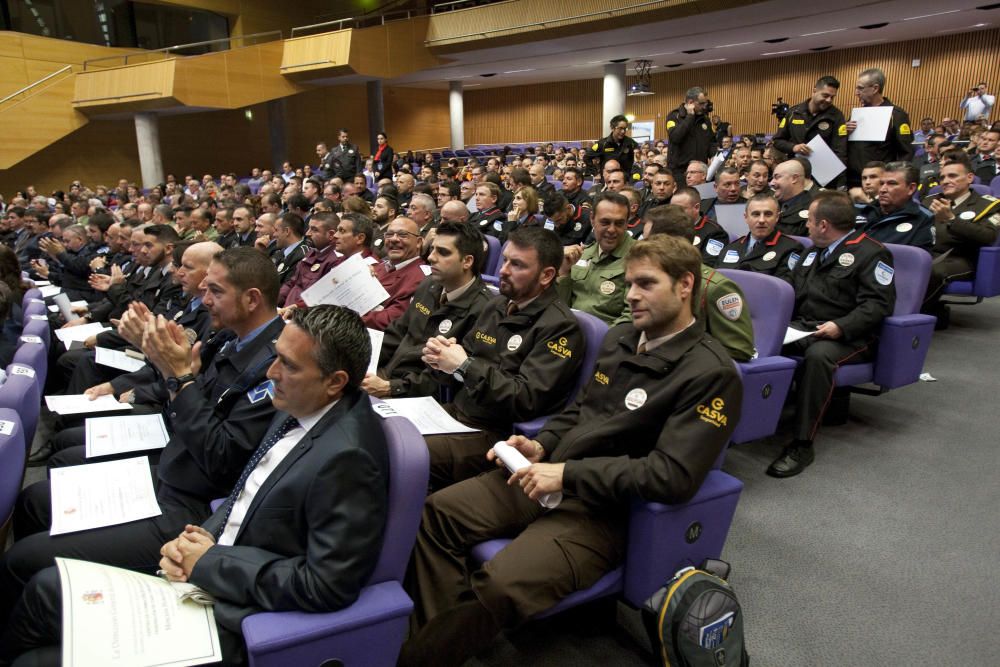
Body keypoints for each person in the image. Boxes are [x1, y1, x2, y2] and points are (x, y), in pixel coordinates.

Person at [399, 235, 742, 667]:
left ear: (685, 285)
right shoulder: (621, 339)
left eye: (647, 284)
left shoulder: (711, 373)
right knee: (437, 515)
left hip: (607, 510)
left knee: (501, 584)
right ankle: (443, 643)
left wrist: (566, 475)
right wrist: (541, 443)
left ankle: (419, 655)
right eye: (630, 283)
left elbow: (670, 476)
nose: (632, 295)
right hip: (553, 472)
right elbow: (581, 410)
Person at [0, 305, 389, 667]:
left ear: (335, 382)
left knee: (41, 617)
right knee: (45, 592)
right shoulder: (302, 403)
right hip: (208, 565)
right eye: (275, 355)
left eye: (287, 365)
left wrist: (207, 561)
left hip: (235, 612)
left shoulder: (348, 458)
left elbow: (326, 585)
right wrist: (197, 538)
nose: (270, 373)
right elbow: (245, 494)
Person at [0, 248, 286, 627]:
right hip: (170, 467)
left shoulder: (274, 366)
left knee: (21, 562)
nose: (204, 300)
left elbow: (221, 458)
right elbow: (182, 408)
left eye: (215, 291)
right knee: (35, 499)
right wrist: (166, 367)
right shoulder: (227, 339)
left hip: (192, 507)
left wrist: (180, 379)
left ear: (251, 299)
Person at [419, 226, 585, 490]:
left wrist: (464, 365)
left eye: (517, 264)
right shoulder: (497, 305)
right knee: (384, 427)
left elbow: (525, 399)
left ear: (547, 275)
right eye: (505, 259)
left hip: (495, 434)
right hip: (455, 414)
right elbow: (465, 361)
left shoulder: (560, 327)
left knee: (398, 451)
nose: (503, 270)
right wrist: (440, 359)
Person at [772, 191, 896, 478]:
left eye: (810, 221)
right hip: (806, 326)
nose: (806, 226)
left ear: (824, 224)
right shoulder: (813, 250)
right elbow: (789, 285)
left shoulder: (873, 253)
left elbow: (878, 305)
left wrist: (841, 326)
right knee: (761, 343)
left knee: (818, 357)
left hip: (851, 336)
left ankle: (802, 443)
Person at [363, 222, 492, 399]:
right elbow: (397, 332)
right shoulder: (429, 284)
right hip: (387, 375)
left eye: (443, 252)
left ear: (467, 261)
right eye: (432, 249)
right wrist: (365, 361)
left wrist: (391, 388)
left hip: (415, 395)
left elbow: (448, 377)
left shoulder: (484, 309)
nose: (431, 257)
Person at [642, 205, 755, 362]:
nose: (640, 246)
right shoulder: (648, 280)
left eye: (647, 241)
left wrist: (683, 355)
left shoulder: (715, 288)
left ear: (670, 243)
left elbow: (739, 350)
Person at [922, 157, 1000, 319]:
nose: (945, 181)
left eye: (953, 176)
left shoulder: (988, 205)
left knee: (933, 271)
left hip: (961, 258)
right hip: (928, 253)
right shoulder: (930, 200)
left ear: (969, 178)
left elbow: (988, 236)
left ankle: (912, 313)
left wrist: (951, 220)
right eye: (942, 177)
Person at [557, 192, 635, 324]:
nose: (611, 229)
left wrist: (599, 340)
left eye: (619, 223)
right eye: (605, 222)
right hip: (569, 332)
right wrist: (564, 273)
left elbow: (631, 318)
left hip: (608, 339)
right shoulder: (582, 254)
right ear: (592, 219)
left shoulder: (640, 257)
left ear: (627, 223)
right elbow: (560, 307)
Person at [772, 75, 848, 187]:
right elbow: (778, 141)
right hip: (795, 175)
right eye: (825, 95)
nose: (829, 100)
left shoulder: (836, 116)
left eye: (832, 97)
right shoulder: (793, 112)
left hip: (822, 178)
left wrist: (840, 183)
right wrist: (794, 147)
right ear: (814, 91)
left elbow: (841, 152)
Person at [846, 67, 914, 185]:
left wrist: (893, 181)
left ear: (875, 88)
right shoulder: (856, 115)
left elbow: (905, 153)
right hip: (853, 181)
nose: (856, 93)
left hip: (880, 182)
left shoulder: (896, 115)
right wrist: (844, 132)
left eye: (860, 88)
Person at [717, 194, 805, 283]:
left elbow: (781, 289)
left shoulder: (792, 248)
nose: (761, 220)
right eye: (756, 214)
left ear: (777, 217)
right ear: (746, 217)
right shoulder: (731, 247)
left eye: (768, 214)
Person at [364, 217, 426, 331]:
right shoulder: (375, 268)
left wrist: (347, 316)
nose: (394, 239)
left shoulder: (422, 278)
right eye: (389, 234)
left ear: (418, 242)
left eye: (402, 235)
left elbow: (391, 320)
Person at [854, 162, 935, 250]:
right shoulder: (859, 210)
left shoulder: (923, 219)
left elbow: (914, 260)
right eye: (881, 183)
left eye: (892, 183)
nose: (882, 190)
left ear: (911, 188)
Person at [278, 212, 342, 308]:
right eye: (309, 228)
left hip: (301, 316)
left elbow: (320, 298)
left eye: (314, 230)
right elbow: (291, 283)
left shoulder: (335, 261)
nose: (307, 233)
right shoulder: (311, 253)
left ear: (331, 234)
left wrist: (294, 308)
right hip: (285, 311)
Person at [666, 87, 716, 183]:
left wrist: (713, 155)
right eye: (701, 103)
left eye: (705, 103)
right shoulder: (674, 116)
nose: (704, 106)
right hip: (681, 172)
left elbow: (711, 141)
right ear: (690, 103)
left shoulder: (704, 118)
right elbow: (675, 137)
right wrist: (690, 117)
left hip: (700, 171)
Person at [670, 186, 729, 264]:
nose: (675, 213)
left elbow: (707, 264)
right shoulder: (668, 226)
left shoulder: (715, 233)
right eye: (672, 209)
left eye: (680, 209)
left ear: (696, 207)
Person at [770, 160, 813, 236]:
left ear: (794, 179)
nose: (771, 183)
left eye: (777, 177)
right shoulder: (771, 205)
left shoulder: (812, 209)